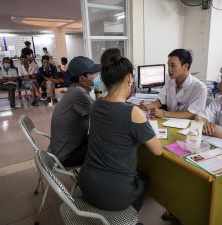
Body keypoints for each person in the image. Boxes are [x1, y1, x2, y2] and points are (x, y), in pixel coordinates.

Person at [79, 49, 163, 213]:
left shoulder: (97, 104)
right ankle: (126, 219)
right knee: (144, 179)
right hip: (113, 194)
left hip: (86, 184)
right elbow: (158, 150)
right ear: (129, 78)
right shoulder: (133, 112)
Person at [50, 56, 101, 167]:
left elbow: (97, 109)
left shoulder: (74, 88)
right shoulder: (79, 95)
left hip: (65, 148)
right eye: (93, 74)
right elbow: (103, 117)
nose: (97, 77)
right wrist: (99, 90)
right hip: (67, 155)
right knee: (107, 151)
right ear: (82, 79)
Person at [139, 49, 207, 119]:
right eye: (168, 65)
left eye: (173, 66)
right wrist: (148, 106)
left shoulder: (200, 88)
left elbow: (191, 114)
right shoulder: (169, 79)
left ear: (185, 67)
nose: (169, 69)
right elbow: (161, 100)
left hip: (187, 126)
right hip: (169, 122)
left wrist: (164, 113)